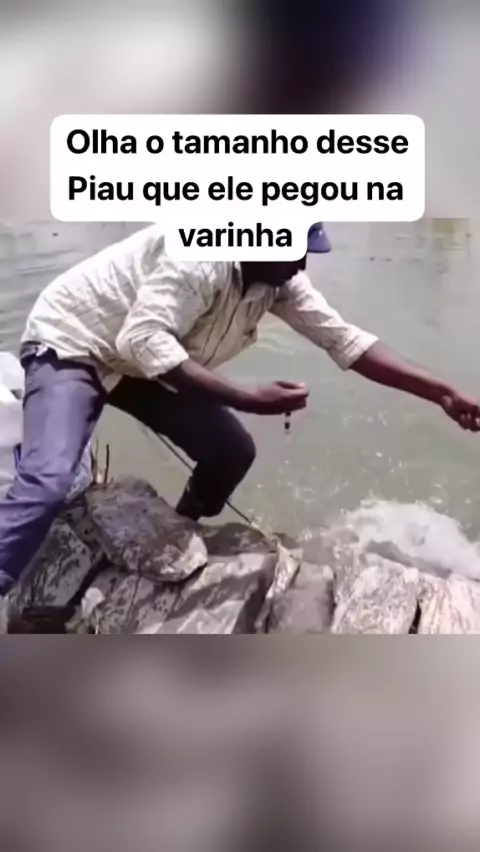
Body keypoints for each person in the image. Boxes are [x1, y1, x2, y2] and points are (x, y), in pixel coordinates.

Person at [0, 223, 479, 595]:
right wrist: (246, 397)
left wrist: (443, 393)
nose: (301, 264)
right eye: (293, 250)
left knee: (231, 450)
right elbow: (140, 338)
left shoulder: (279, 280)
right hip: (76, 344)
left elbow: (345, 340)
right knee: (49, 479)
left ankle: (178, 532)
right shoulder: (198, 257)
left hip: (138, 360)